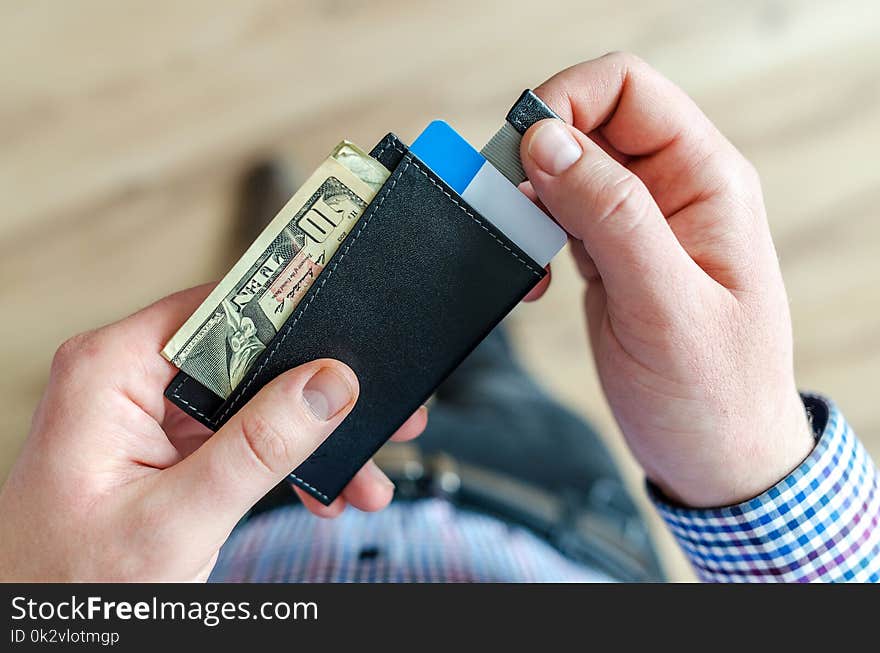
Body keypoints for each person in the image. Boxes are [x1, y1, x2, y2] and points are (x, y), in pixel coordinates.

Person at [0, 53, 877, 582]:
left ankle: (405, 263)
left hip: (236, 521)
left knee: (385, 309)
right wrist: (752, 459)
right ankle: (449, 279)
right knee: (475, 339)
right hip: (555, 505)